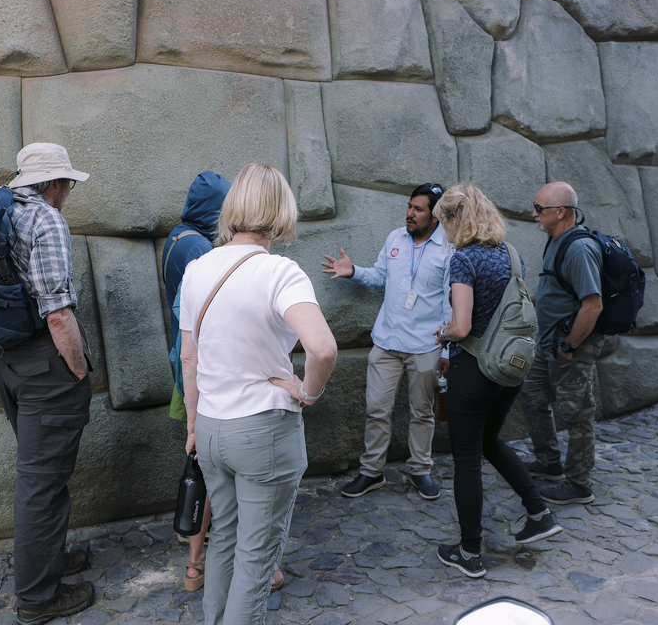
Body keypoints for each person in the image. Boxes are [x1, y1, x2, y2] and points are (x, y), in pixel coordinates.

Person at [179, 163, 337, 625]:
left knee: (224, 537)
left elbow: (189, 358)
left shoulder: (197, 268)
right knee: (256, 555)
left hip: (210, 427)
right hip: (263, 429)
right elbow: (323, 349)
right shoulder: (280, 272)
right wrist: (305, 391)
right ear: (281, 211)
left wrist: (192, 424)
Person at [0, 143, 95, 625]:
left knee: (42, 476)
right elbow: (57, 310)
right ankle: (37, 598)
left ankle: (47, 561)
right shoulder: (44, 218)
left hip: (3, 360)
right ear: (53, 183)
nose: (67, 192)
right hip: (43, 365)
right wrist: (78, 369)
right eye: (66, 183)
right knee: (41, 484)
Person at [430, 185, 563, 579]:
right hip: (510, 368)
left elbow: (463, 325)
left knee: (467, 459)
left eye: (444, 222)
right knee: (490, 441)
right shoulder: (511, 254)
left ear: (457, 219)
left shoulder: (464, 260)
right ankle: (539, 512)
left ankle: (470, 553)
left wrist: (445, 333)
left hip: (473, 369)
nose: (443, 231)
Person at [322, 183, 452, 500]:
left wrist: (448, 347)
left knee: (422, 413)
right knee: (376, 411)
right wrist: (353, 272)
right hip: (386, 344)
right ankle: (371, 472)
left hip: (426, 347)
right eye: (409, 206)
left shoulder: (449, 248)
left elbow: (451, 301)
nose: (410, 213)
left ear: (434, 216)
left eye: (418, 209)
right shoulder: (395, 237)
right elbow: (381, 276)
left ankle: (421, 470)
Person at [161, 171, 229, 592]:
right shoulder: (201, 247)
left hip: (183, 369)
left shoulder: (177, 236)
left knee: (198, 464)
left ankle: (194, 564)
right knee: (206, 468)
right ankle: (198, 563)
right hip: (202, 374)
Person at [520, 181, 604, 505]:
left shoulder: (579, 249)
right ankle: (549, 462)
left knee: (576, 412)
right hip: (549, 342)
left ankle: (579, 484)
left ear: (561, 212)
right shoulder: (557, 240)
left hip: (570, 347)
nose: (533, 214)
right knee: (531, 394)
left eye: (539, 209)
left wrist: (570, 347)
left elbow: (592, 305)